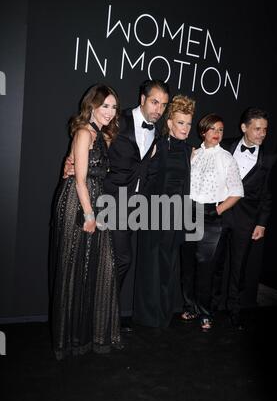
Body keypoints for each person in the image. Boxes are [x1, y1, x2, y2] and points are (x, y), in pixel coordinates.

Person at [64, 80, 170, 331]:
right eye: (154, 102)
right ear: (142, 99)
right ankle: (102, 315)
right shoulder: (116, 121)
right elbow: (89, 145)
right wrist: (70, 163)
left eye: (163, 105)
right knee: (122, 259)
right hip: (108, 200)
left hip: (135, 207)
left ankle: (100, 316)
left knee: (110, 261)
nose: (158, 109)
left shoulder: (159, 130)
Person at [50, 84, 122, 360]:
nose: (110, 111)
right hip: (78, 205)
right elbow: (79, 179)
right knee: (73, 268)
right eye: (105, 105)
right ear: (91, 105)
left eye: (113, 107)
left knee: (97, 267)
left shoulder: (103, 136)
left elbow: (82, 170)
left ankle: (88, 335)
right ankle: (69, 339)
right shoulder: (83, 132)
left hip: (94, 200)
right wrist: (89, 214)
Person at [133, 95, 195, 328]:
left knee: (168, 267)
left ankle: (164, 314)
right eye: (181, 122)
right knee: (150, 265)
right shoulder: (157, 145)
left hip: (176, 216)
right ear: (169, 123)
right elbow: (143, 176)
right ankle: (147, 316)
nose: (186, 128)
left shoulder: (191, 151)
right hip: (153, 214)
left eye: (188, 123)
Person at [180, 113, 244, 330]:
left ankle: (205, 312)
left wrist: (217, 211)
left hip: (211, 216)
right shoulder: (193, 155)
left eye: (221, 130)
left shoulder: (226, 158)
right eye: (213, 129)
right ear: (203, 131)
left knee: (206, 267)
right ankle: (190, 307)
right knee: (188, 266)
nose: (217, 134)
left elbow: (236, 192)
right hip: (190, 212)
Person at [218, 107, 277, 329]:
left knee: (238, 269)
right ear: (244, 128)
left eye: (265, 130)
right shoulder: (225, 146)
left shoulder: (269, 158)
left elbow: (266, 193)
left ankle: (234, 312)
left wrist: (262, 222)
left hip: (246, 220)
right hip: (222, 214)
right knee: (216, 264)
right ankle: (210, 310)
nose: (262, 134)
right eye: (257, 129)